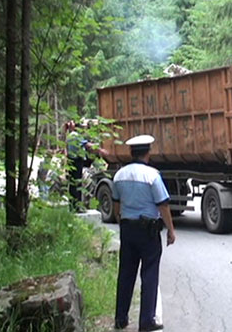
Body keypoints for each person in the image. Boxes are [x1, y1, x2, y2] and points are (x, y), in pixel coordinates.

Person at [112, 134, 176, 332]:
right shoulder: (152, 176)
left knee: (126, 274)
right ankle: (147, 321)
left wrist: (120, 221)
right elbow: (163, 205)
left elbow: (116, 204)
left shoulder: (119, 175)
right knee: (149, 274)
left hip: (127, 229)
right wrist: (171, 231)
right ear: (148, 153)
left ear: (131, 152)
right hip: (148, 231)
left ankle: (120, 318)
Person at [65, 119, 108, 212]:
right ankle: (77, 207)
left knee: (73, 185)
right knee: (78, 185)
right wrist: (100, 150)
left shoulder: (69, 136)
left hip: (71, 161)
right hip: (76, 161)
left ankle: (72, 206)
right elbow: (87, 145)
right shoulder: (76, 136)